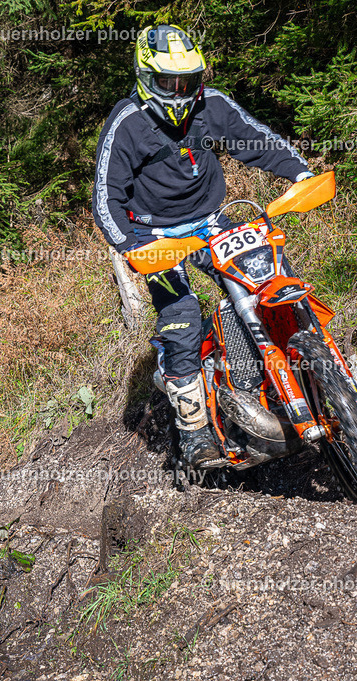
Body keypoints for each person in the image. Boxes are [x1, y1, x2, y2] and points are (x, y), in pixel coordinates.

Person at [91, 24, 313, 467]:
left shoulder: (211, 104)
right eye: (168, 83)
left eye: (188, 81)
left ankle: (308, 371)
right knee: (182, 316)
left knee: (270, 278)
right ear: (144, 76)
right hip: (153, 235)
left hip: (212, 221)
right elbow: (105, 196)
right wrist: (127, 246)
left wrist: (300, 172)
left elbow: (255, 139)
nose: (179, 92)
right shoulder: (126, 122)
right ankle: (194, 431)